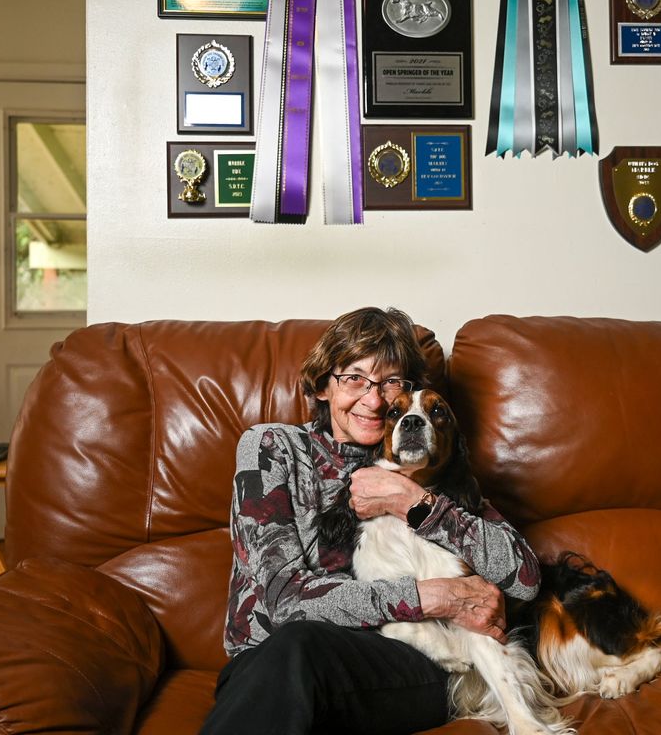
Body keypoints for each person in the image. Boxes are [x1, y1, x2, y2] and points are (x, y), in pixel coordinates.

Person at [201, 307, 541, 735]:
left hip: (404, 668)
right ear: (323, 385)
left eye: (391, 382)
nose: (374, 399)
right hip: (275, 664)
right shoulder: (272, 448)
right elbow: (284, 599)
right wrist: (431, 597)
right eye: (354, 378)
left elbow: (525, 577)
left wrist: (412, 501)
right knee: (297, 645)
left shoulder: (428, 466)